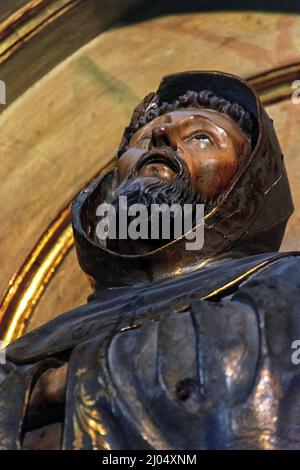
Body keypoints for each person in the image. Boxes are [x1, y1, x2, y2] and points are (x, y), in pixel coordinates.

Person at [0, 71, 299, 450]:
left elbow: (239, 373)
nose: (160, 138)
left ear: (248, 185)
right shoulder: (37, 341)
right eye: (143, 139)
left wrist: (58, 385)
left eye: (201, 137)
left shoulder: (287, 284)